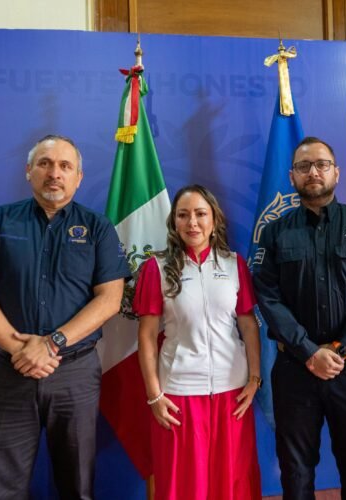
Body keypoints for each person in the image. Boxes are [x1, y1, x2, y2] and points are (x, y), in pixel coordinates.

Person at [0, 134, 129, 499]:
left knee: (78, 486)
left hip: (75, 373)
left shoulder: (97, 227)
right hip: (10, 371)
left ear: (78, 177)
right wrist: (20, 349)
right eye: (45, 164)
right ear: (28, 171)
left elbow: (110, 299)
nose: (54, 173)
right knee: (2, 488)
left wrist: (51, 343)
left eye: (65, 166)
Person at [252, 136, 346, 499]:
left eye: (321, 164)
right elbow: (267, 297)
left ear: (336, 172)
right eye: (303, 166)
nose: (313, 172)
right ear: (292, 176)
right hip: (294, 370)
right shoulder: (275, 232)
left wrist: (341, 348)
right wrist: (308, 352)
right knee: (296, 472)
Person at [133, 184, 262, 500]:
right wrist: (154, 395)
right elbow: (147, 336)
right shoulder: (156, 268)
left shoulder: (234, 264)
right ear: (174, 222)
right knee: (184, 485)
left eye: (200, 214)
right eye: (183, 215)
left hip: (232, 394)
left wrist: (255, 378)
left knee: (232, 482)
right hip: (179, 396)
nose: (192, 222)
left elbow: (248, 325)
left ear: (214, 220)